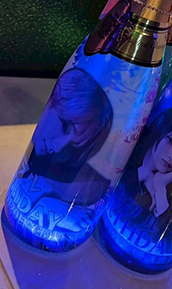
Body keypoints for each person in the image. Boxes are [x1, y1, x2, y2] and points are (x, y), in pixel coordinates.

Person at [6, 68, 113, 237]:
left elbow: (98, 188)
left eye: (74, 144)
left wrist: (50, 203)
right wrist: (48, 204)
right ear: (53, 101)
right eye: (64, 126)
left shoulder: (85, 180)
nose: (58, 146)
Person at [111, 107, 172, 243]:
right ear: (160, 131)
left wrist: (160, 185)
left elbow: (168, 240)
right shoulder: (129, 152)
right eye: (171, 141)